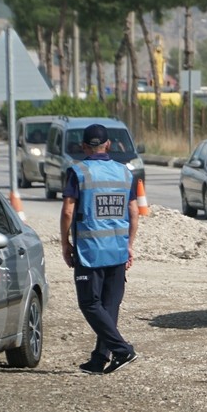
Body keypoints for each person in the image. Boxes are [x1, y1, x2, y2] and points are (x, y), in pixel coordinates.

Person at [60, 123, 140, 375]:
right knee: (109, 306)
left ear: (84, 146)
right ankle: (99, 359)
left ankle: (122, 350)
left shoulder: (78, 172)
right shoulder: (126, 173)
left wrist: (65, 243)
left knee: (89, 303)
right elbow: (134, 212)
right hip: (116, 249)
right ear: (109, 145)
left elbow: (68, 211)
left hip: (90, 250)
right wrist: (129, 245)